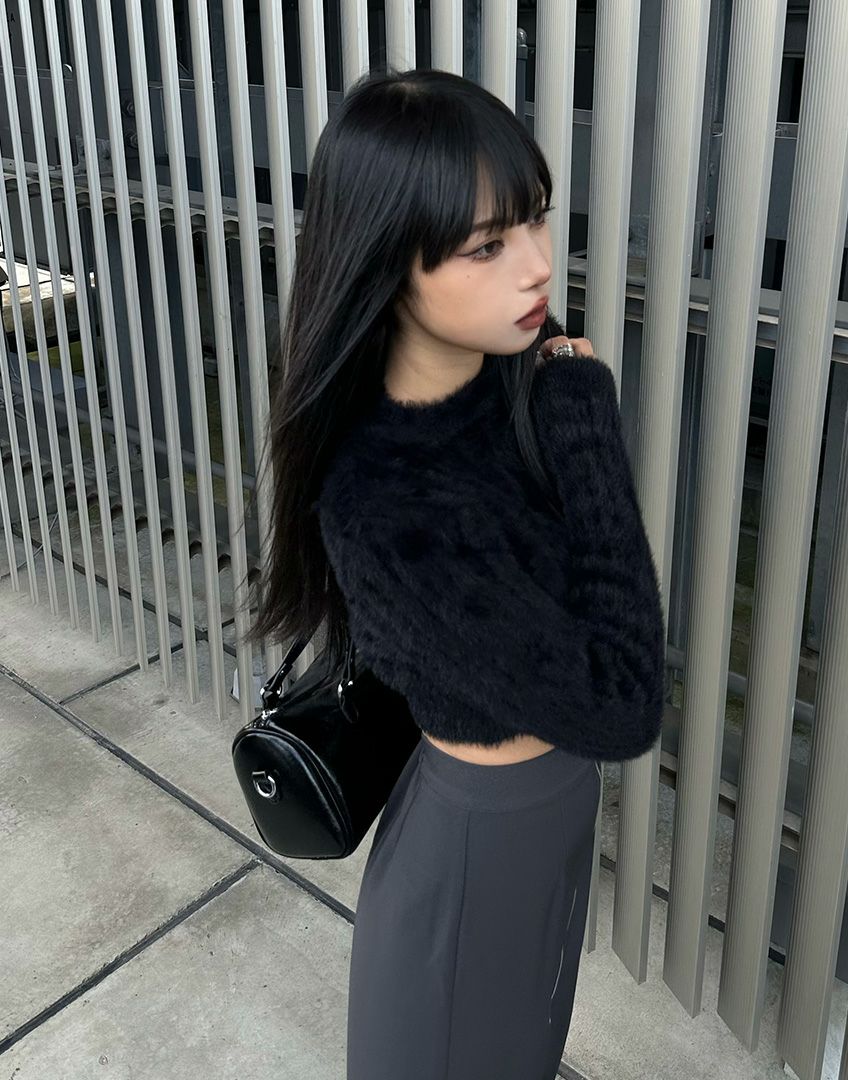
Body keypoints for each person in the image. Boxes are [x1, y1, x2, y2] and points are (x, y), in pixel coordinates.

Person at [244, 66, 666, 1080]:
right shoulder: (386, 499)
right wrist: (587, 428)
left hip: (545, 813)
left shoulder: (504, 378)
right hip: (478, 843)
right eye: (487, 246)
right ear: (386, 264)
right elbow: (623, 705)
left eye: (536, 220)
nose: (538, 266)